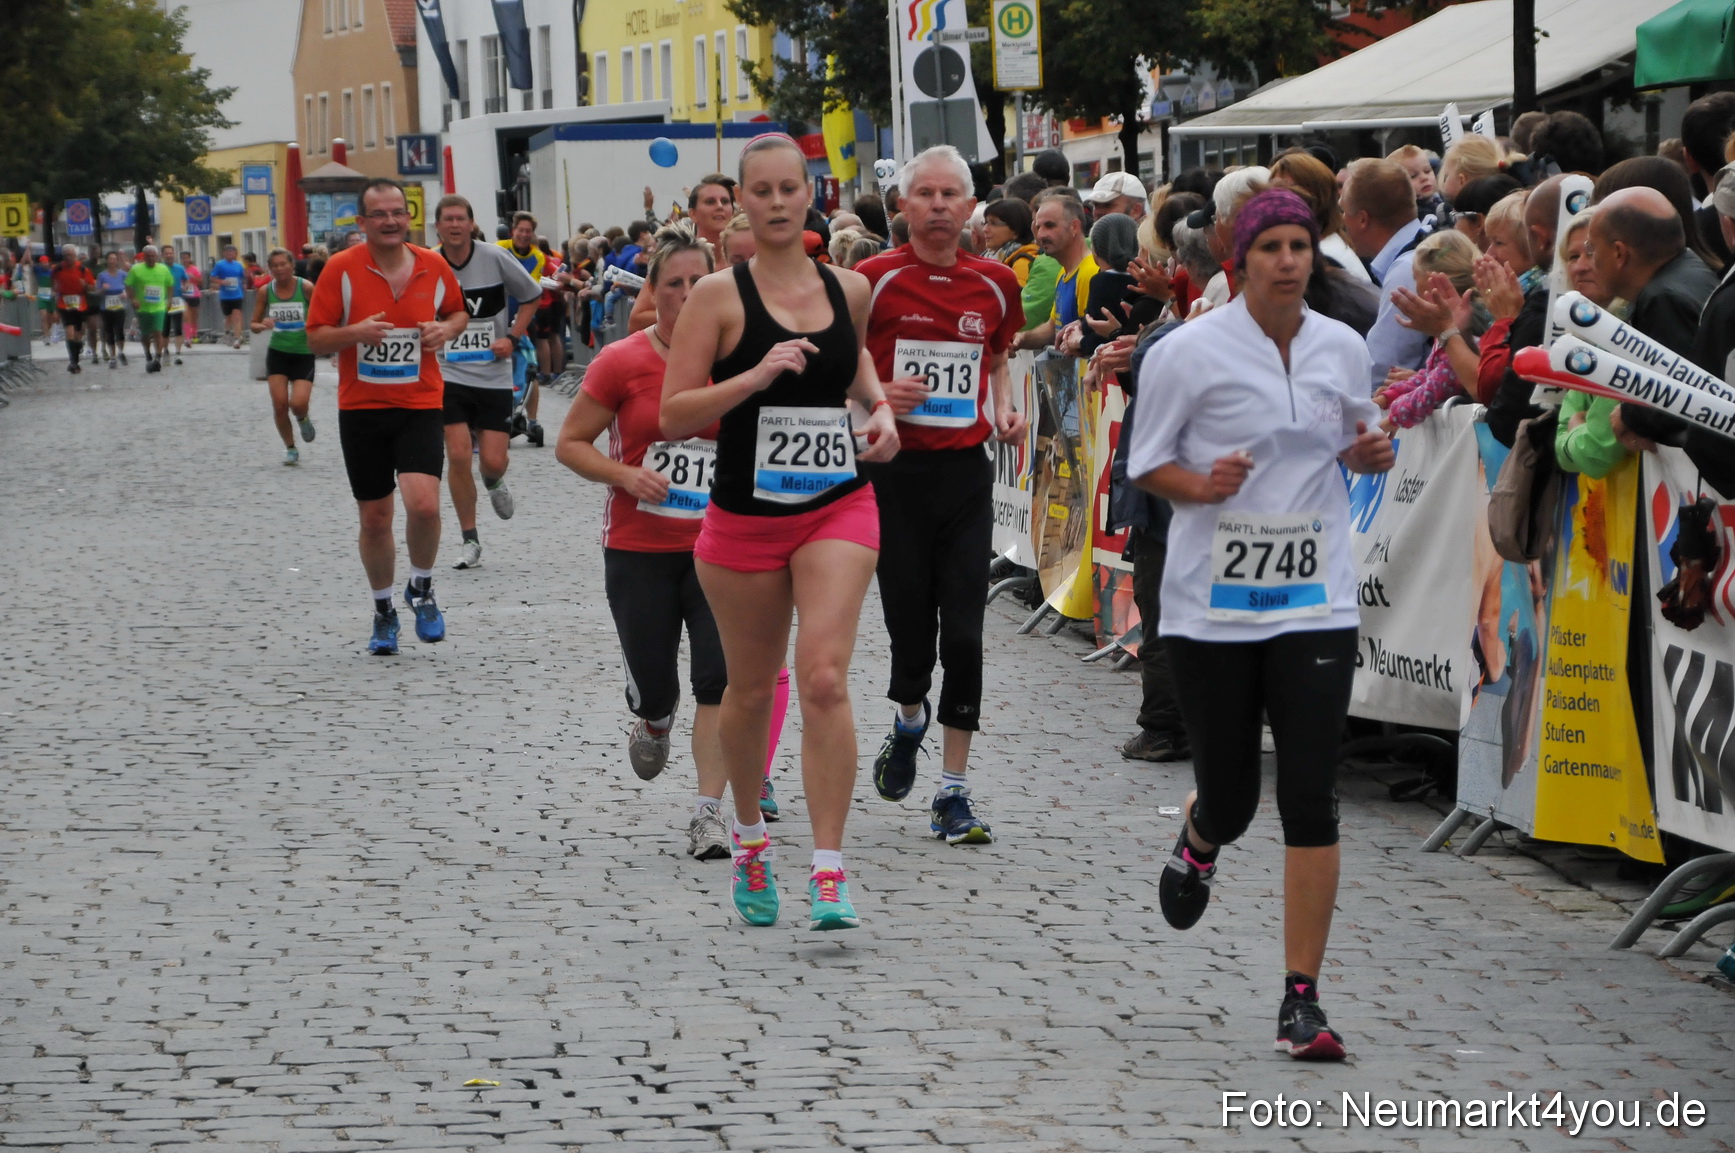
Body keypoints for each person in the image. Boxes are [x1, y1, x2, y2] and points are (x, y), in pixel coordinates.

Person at [1126, 188, 1396, 1061]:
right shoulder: (1186, 351)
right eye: (1270, 246)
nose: (1287, 260)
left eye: (1299, 245)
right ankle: (1201, 833)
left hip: (1315, 597)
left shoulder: (1342, 346)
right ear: (1237, 258)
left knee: (1309, 794)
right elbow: (1146, 464)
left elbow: (1360, 434)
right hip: (1213, 605)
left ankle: (1301, 999)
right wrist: (1199, 485)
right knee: (1236, 794)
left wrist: (1370, 449)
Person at [659, 133, 900, 931]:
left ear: (809, 195)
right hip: (743, 518)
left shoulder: (851, 287)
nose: (772, 202)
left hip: (836, 502)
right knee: (750, 688)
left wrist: (881, 409)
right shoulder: (717, 298)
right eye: (756, 191)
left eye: (785, 188)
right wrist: (755, 376)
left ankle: (828, 870)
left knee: (825, 677)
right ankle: (752, 837)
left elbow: (852, 364)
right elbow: (673, 412)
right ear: (740, 200)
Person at [853, 145, 1027, 846]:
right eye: (922, 193)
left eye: (948, 194)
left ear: (969, 207)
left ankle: (952, 791)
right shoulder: (871, 280)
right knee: (908, 631)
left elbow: (998, 355)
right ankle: (907, 721)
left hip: (963, 472)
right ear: (902, 205)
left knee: (964, 629)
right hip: (892, 475)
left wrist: (1005, 406)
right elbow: (841, 357)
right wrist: (874, 395)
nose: (935, 205)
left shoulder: (993, 284)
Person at [556, 229, 741, 859]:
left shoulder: (739, 359)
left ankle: (708, 812)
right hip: (638, 546)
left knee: (718, 678)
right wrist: (626, 475)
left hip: (721, 545)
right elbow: (570, 443)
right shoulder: (622, 360)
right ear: (653, 293)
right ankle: (653, 714)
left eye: (700, 283)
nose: (688, 295)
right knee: (659, 681)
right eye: (674, 285)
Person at [306, 179, 469, 655]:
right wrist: (354, 332)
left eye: (398, 212)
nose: (391, 221)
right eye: (379, 214)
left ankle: (421, 586)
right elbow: (315, 337)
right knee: (375, 518)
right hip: (362, 409)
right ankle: (383, 611)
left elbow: (457, 313)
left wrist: (445, 329)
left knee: (424, 506)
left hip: (419, 402)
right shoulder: (340, 270)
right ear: (361, 223)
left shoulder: (433, 265)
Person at [432, 194, 541, 570]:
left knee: (493, 460)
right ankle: (470, 539)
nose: (455, 225)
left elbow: (531, 296)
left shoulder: (494, 257)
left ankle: (494, 482)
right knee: (458, 455)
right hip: (448, 371)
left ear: (471, 224)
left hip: (493, 373)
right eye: (448, 219)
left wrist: (511, 337)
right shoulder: (429, 263)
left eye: (461, 218)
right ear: (438, 227)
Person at [1339, 158, 1430, 387]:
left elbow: (1380, 372)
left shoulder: (1406, 270)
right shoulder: (1424, 250)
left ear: (1362, 219)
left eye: (1343, 210)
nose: (1341, 220)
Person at [250, 248, 319, 466]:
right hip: (278, 353)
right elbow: (253, 324)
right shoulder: (265, 291)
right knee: (279, 404)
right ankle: (290, 447)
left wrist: (314, 325)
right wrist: (263, 324)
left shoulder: (306, 288)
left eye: (283, 264)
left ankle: (303, 418)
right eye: (275, 266)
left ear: (292, 265)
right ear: (270, 269)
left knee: (297, 403)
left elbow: (325, 313)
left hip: (303, 352)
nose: (280, 269)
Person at [1014, 189, 1097, 351]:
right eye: (1038, 227)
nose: (1041, 234)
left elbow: (1091, 336)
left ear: (1074, 227)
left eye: (1050, 225)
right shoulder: (1064, 272)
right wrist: (1022, 338)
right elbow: (1052, 328)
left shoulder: (1089, 272)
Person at [497, 211, 551, 443]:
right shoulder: (499, 248)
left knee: (530, 369)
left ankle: (533, 419)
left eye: (528, 231)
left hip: (524, 316)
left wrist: (519, 325)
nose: (524, 235)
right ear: (513, 230)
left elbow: (531, 290)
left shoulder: (537, 257)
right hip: (498, 314)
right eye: (520, 230)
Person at [123, 245, 174, 373]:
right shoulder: (136, 269)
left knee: (157, 332)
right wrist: (133, 299)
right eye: (148, 256)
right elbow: (128, 285)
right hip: (143, 308)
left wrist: (169, 300)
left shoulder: (163, 269)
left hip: (158, 307)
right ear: (144, 257)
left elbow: (170, 285)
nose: (151, 258)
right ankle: (147, 353)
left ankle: (157, 357)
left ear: (157, 257)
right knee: (145, 334)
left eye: (153, 256)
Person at [50, 246, 95, 374]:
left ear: (75, 256)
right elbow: (53, 286)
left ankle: (76, 353)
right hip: (64, 304)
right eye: (66, 255)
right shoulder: (57, 269)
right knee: (69, 331)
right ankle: (73, 361)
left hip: (80, 304)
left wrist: (85, 285)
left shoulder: (82, 269)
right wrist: (55, 308)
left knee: (78, 334)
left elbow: (92, 287)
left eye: (71, 255)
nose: (68, 258)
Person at [981, 198, 1038, 286]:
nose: (985, 229)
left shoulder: (1023, 262)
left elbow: (1016, 298)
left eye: (993, 223)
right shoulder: (986, 257)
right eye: (985, 223)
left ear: (1015, 230)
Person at [94, 252, 128, 368]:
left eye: (115, 259)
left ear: (117, 261)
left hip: (119, 306)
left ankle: (121, 352)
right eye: (110, 259)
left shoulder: (123, 274)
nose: (113, 261)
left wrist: (125, 294)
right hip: (106, 307)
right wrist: (103, 289)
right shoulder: (102, 275)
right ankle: (112, 356)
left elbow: (129, 288)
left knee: (119, 330)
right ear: (107, 261)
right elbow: (97, 292)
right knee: (109, 331)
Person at [210, 244, 247, 348]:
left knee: (237, 316)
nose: (229, 254)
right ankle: (227, 333)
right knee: (228, 318)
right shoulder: (220, 264)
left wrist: (244, 285)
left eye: (232, 252)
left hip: (237, 294)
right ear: (224, 254)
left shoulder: (239, 265)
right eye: (227, 252)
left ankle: (237, 339)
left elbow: (243, 277)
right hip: (225, 296)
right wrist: (222, 282)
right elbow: (212, 278)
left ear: (235, 254)